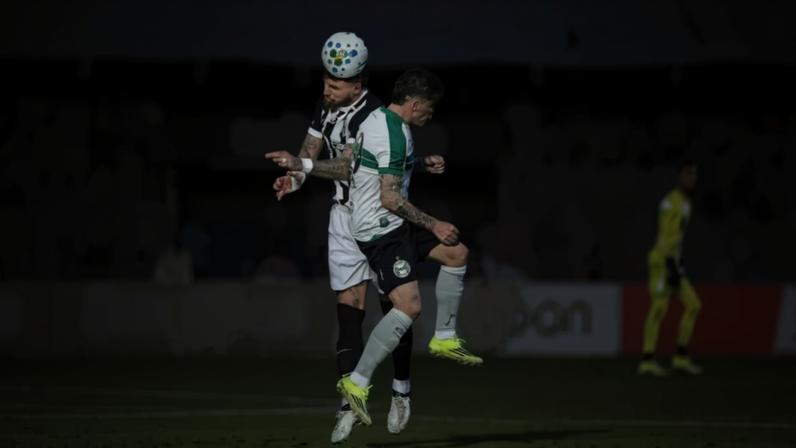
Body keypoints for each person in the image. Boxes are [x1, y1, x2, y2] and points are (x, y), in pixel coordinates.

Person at [267, 68, 483, 426]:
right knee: (407, 306)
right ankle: (358, 381)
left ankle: (443, 337)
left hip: (387, 223)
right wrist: (435, 223)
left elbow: (361, 165)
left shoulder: (376, 118)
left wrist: (418, 166)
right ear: (415, 105)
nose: (431, 114)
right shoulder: (392, 132)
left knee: (456, 254)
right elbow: (389, 198)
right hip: (380, 229)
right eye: (429, 108)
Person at [638, 160, 703, 376]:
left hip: (672, 261)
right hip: (661, 260)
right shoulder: (670, 202)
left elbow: (677, 237)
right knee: (659, 308)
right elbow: (665, 234)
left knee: (693, 305)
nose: (692, 179)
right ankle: (646, 361)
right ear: (679, 177)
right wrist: (668, 261)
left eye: (694, 175)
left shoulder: (686, 203)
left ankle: (680, 358)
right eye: (688, 175)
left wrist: (677, 261)